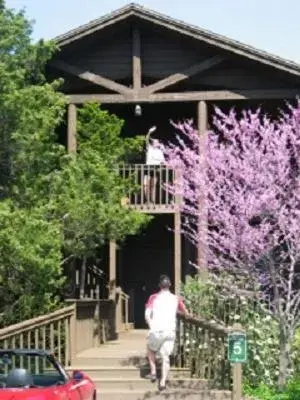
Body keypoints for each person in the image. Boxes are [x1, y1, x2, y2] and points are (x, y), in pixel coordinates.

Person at [144, 275, 190, 391]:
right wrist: (187, 314)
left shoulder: (153, 297)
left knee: (150, 349)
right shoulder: (176, 298)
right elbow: (186, 312)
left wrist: (151, 325)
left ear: (159, 286)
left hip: (156, 330)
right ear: (170, 286)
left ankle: (153, 371)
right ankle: (163, 381)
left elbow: (147, 315)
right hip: (170, 331)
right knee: (165, 357)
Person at [144, 130, 165, 203]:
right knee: (146, 185)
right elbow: (146, 139)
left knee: (153, 186)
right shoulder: (149, 148)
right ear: (152, 143)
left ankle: (152, 201)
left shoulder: (160, 151)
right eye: (155, 142)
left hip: (156, 169)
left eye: (157, 142)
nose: (157, 143)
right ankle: (147, 200)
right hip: (148, 169)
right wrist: (149, 132)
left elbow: (163, 161)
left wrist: (163, 149)